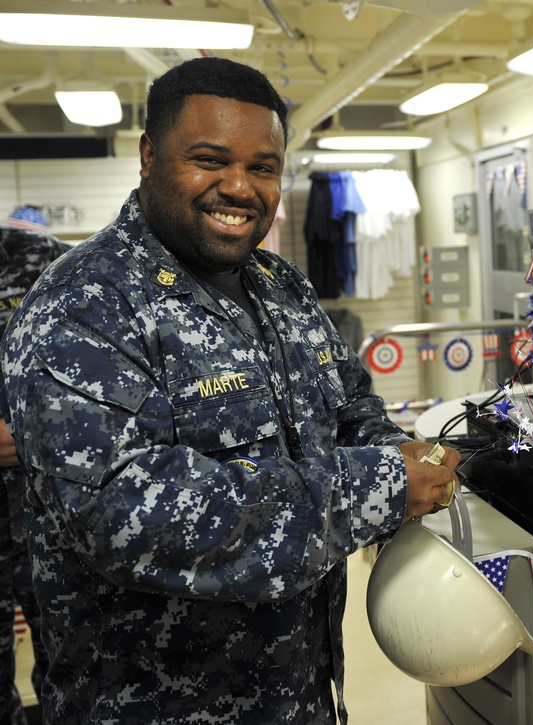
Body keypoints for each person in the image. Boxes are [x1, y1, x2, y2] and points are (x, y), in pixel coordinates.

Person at [0, 57, 460, 724]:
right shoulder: (84, 303)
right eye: (210, 160)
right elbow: (126, 514)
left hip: (300, 694)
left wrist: (416, 457)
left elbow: (353, 411)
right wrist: (379, 487)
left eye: (263, 167)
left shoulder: (282, 288)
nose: (240, 186)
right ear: (149, 156)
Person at [0, 206, 68, 724]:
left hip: (51, 516)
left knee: (68, 672)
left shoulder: (48, 263)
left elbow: (113, 378)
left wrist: (34, 429)